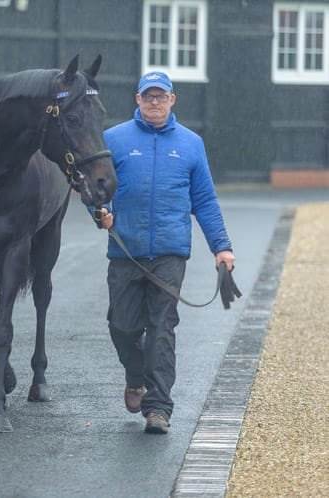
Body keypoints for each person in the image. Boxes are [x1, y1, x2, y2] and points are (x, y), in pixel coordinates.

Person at [95, 71, 235, 434]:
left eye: (161, 96)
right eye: (148, 96)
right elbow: (98, 189)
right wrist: (101, 212)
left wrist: (221, 247)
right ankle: (136, 375)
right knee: (122, 327)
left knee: (161, 328)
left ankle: (158, 407)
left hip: (170, 253)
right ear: (137, 100)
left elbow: (204, 199)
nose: (154, 102)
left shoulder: (191, 144)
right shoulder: (114, 139)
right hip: (126, 250)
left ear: (172, 100)